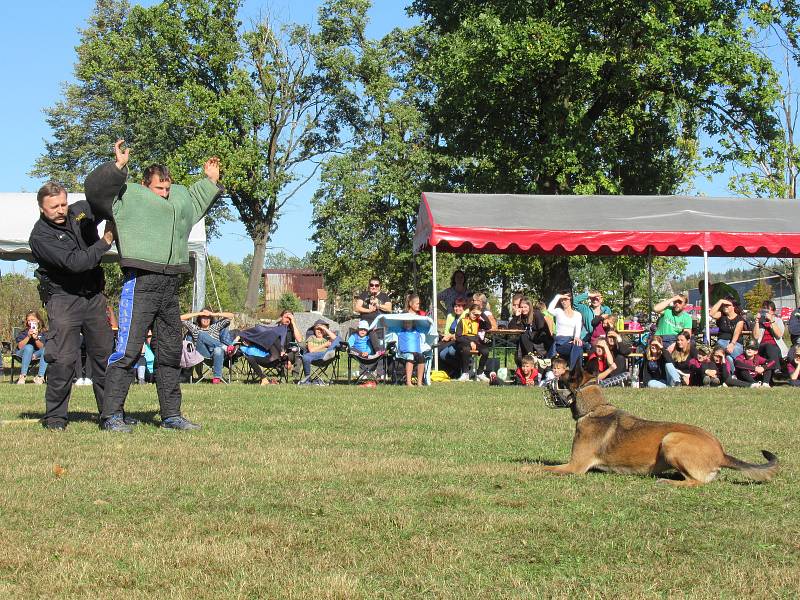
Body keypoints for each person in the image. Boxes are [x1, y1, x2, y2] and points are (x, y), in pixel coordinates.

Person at [84, 139, 222, 432]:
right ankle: (111, 415)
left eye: (167, 188)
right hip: (140, 281)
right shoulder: (127, 196)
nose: (164, 193)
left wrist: (209, 180)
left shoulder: (177, 200)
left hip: (170, 285)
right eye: (159, 188)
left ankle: (171, 414)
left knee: (171, 351)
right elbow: (96, 191)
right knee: (128, 350)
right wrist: (118, 166)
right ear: (146, 185)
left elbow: (195, 200)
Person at [28, 182, 117, 430]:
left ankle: (111, 415)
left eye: (63, 204)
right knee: (63, 359)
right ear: (41, 208)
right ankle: (56, 418)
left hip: (93, 297)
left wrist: (117, 171)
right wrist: (105, 241)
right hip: (63, 299)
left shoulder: (78, 211)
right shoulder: (40, 237)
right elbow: (75, 263)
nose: (60, 210)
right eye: (53, 206)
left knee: (104, 357)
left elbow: (101, 199)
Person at [181, 308, 234, 384]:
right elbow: (180, 318)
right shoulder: (195, 328)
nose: (206, 319)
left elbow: (231, 316)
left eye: (208, 317)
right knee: (201, 334)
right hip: (202, 355)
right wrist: (198, 313)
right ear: (199, 318)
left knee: (218, 350)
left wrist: (213, 314)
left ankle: (217, 377)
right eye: (203, 317)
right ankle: (224, 347)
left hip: (215, 355)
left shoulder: (215, 327)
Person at [547, 291, 584, 370]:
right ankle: (574, 372)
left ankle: (571, 371)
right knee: (579, 350)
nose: (563, 301)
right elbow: (549, 309)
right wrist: (558, 296)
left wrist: (576, 338)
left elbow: (578, 328)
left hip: (571, 341)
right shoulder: (558, 311)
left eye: (565, 299)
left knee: (578, 345)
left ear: (570, 300)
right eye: (562, 300)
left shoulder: (577, 314)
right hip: (560, 342)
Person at [510, 298, 553, 364]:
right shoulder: (522, 317)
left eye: (525, 307)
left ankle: (531, 357)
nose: (523, 309)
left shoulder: (537, 314)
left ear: (530, 307)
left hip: (540, 341)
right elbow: (511, 328)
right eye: (521, 307)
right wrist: (516, 316)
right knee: (523, 337)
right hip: (528, 340)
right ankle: (530, 358)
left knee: (524, 335)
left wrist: (529, 334)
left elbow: (542, 331)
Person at [455, 303, 491, 382]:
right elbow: (458, 336)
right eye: (473, 313)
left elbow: (489, 326)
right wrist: (470, 342)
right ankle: (465, 373)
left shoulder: (478, 321)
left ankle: (480, 372)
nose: (474, 316)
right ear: (469, 311)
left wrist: (482, 314)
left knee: (485, 351)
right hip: (464, 341)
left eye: (476, 314)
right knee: (466, 349)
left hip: (475, 342)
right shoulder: (463, 321)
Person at [709, 297, 745, 366]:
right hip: (722, 342)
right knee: (721, 343)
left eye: (727, 305)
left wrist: (732, 344)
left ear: (733, 307)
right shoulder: (721, 316)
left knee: (729, 358)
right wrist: (720, 301)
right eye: (724, 305)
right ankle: (741, 365)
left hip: (736, 343)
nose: (725, 307)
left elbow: (736, 333)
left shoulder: (740, 319)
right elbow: (711, 313)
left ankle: (737, 367)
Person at [14, 311, 49, 385]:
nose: (30, 322)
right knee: (29, 347)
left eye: (32, 320)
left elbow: (42, 347)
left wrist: (36, 338)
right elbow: (20, 347)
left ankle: (40, 377)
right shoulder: (24, 332)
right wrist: (28, 337)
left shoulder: (43, 332)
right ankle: (22, 376)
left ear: (38, 320)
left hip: (36, 354)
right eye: (28, 320)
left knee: (46, 349)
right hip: (22, 354)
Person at [752, 300, 788, 370]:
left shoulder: (778, 320)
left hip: (776, 347)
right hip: (761, 346)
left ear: (773, 312)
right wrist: (757, 321)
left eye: (768, 310)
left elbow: (779, 335)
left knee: (770, 349)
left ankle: (768, 375)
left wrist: (772, 321)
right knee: (768, 346)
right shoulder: (759, 321)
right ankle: (777, 369)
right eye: (764, 310)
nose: (766, 313)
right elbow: (756, 337)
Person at [438, 297, 467, 376]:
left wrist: (450, 336)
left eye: (459, 306)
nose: (457, 308)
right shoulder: (451, 316)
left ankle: (461, 369)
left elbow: (463, 333)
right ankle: (450, 371)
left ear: (464, 307)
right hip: (451, 340)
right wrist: (444, 336)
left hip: (461, 341)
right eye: (455, 306)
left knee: (449, 352)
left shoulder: (466, 316)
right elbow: (447, 331)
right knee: (440, 352)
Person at [397, 320, 426, 386]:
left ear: (413, 323)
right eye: (405, 323)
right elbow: (386, 327)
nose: (407, 324)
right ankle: (409, 382)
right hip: (404, 353)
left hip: (416, 352)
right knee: (410, 356)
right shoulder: (400, 330)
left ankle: (419, 383)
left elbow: (428, 327)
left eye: (409, 323)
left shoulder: (417, 331)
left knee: (421, 357)